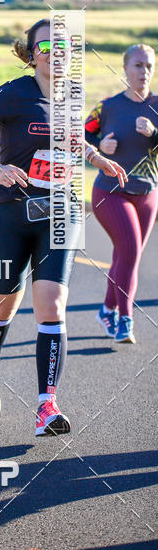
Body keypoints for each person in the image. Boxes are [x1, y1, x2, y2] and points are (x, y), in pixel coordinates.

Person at [0, 19, 126, 436]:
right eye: (46, 44)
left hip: (62, 210)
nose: (56, 50)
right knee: (4, 303)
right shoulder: (14, 92)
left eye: (64, 44)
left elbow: (70, 140)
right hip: (10, 212)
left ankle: (46, 406)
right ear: (32, 53)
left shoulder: (73, 94)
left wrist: (95, 157)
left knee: (52, 305)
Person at [86, 44, 158, 344]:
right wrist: (100, 146)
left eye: (150, 66)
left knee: (126, 256)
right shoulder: (108, 106)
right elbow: (82, 135)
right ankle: (125, 320)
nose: (145, 72)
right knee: (129, 251)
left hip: (148, 193)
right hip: (110, 191)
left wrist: (154, 134)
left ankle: (106, 309)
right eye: (139, 65)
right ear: (126, 68)